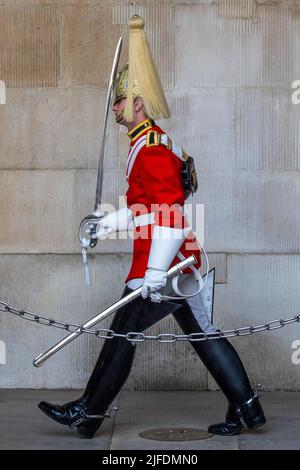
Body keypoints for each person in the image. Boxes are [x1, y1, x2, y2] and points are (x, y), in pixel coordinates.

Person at [38, 15, 266, 439]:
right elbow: (142, 208)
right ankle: (249, 410)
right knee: (204, 336)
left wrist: (155, 275)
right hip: (174, 262)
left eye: (121, 101)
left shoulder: (153, 149)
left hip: (172, 265)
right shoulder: (144, 145)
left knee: (122, 332)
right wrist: (103, 226)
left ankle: (88, 414)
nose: (116, 107)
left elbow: (171, 217)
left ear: (138, 103)